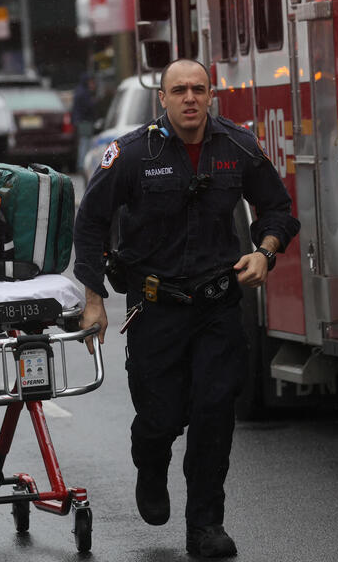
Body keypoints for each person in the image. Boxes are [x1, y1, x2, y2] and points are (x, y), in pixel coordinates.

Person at [73, 58, 300, 558]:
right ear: (163, 98)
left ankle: (205, 526)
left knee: (214, 414)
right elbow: (90, 221)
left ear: (211, 95)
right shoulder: (133, 153)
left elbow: (279, 209)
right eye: (179, 90)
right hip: (156, 309)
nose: (190, 98)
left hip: (218, 307)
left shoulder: (237, 146)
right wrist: (94, 299)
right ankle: (151, 464)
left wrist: (265, 253)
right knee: (161, 417)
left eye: (198, 89)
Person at [71, 73, 98, 171]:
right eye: (91, 82)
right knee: (85, 142)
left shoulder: (80, 91)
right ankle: (83, 164)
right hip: (85, 121)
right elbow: (88, 107)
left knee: (84, 142)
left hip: (81, 120)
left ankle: (82, 164)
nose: (93, 84)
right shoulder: (84, 93)